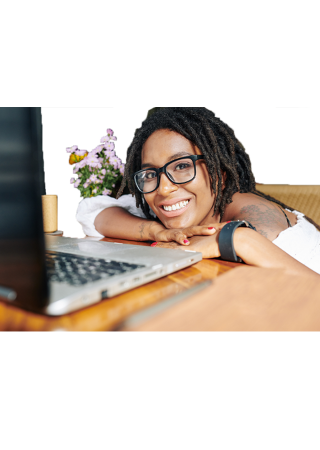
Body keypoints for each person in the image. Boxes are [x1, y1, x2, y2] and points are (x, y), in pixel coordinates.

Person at [76, 107, 320, 278]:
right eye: (151, 174)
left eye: (182, 166)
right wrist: (159, 231)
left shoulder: (258, 221)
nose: (164, 188)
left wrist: (238, 238)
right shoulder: (181, 212)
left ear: (219, 174)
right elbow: (94, 214)